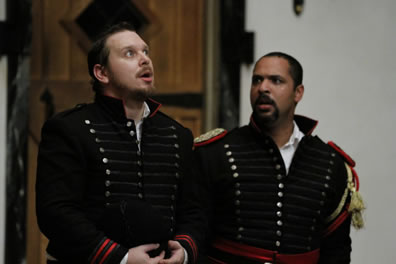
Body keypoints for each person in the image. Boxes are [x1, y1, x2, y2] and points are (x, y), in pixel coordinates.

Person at [35, 22, 204, 264]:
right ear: (101, 73)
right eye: (130, 53)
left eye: (146, 52)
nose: (145, 60)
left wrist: (185, 250)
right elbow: (56, 213)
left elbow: (194, 212)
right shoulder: (69, 129)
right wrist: (121, 258)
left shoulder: (177, 135)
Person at [194, 52, 364, 264]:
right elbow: (195, 232)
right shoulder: (216, 152)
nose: (263, 88)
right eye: (257, 80)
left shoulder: (331, 164)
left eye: (276, 80)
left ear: (298, 93)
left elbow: (336, 250)